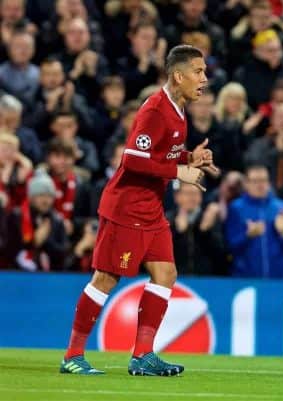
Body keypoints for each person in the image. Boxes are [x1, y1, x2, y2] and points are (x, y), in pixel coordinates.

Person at [60, 45, 219, 376]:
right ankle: (72, 355)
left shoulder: (177, 110)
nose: (204, 79)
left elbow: (161, 154)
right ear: (179, 75)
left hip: (151, 209)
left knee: (166, 274)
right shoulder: (155, 110)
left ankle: (143, 355)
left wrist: (189, 158)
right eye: (198, 71)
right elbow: (133, 159)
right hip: (126, 208)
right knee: (106, 277)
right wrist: (180, 172)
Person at [224, 164, 283, 278]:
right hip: (245, 279)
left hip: (278, 280)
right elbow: (229, 247)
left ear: (269, 183)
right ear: (246, 184)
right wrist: (248, 236)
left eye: (264, 180)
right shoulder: (236, 208)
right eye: (255, 181)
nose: (260, 185)